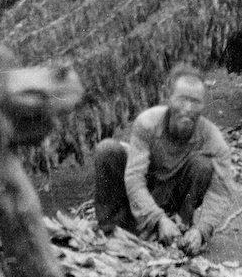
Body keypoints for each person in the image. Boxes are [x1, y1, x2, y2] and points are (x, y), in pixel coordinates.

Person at [93, 64, 234, 256]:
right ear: (169, 98)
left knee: (203, 165)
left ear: (203, 106)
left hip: (173, 202)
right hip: (139, 199)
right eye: (182, 100)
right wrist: (157, 218)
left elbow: (220, 193)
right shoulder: (147, 124)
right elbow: (134, 178)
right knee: (107, 150)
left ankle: (180, 232)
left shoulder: (213, 139)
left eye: (195, 102)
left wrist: (201, 230)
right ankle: (111, 232)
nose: (188, 109)